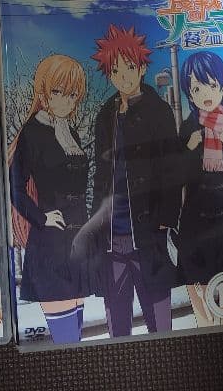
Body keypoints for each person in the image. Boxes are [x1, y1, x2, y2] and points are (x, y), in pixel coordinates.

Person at [79, 25, 182, 337]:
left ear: (142, 67)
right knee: (117, 323)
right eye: (115, 70)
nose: (123, 76)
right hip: (112, 235)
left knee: (159, 319)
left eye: (129, 67)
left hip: (147, 233)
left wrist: (165, 219)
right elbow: (101, 174)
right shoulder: (105, 114)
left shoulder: (159, 111)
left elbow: (172, 169)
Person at [8, 55, 89, 344]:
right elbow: (15, 187)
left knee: (76, 330)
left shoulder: (71, 131)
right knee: (66, 335)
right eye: (58, 92)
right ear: (43, 92)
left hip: (78, 239)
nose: (66, 100)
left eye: (72, 94)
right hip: (51, 242)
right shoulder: (32, 132)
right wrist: (41, 218)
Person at [177, 51, 223, 326]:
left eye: (211, 84)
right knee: (198, 286)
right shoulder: (188, 130)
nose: (205, 93)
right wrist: (188, 150)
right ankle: (205, 329)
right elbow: (178, 179)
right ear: (189, 94)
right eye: (196, 88)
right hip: (195, 220)